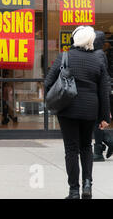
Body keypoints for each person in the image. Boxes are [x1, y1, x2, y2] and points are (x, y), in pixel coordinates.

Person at [45, 26, 111, 199]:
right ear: (90, 40)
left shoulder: (64, 57)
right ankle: (88, 185)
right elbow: (104, 91)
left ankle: (74, 191)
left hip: (67, 109)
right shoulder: (98, 60)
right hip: (90, 110)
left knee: (71, 150)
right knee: (86, 147)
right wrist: (104, 117)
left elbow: (48, 82)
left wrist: (54, 98)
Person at [92, 30, 113, 161]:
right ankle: (105, 143)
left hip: (98, 91)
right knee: (97, 121)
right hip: (99, 91)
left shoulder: (99, 54)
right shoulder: (100, 54)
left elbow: (101, 75)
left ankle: (100, 149)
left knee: (97, 121)